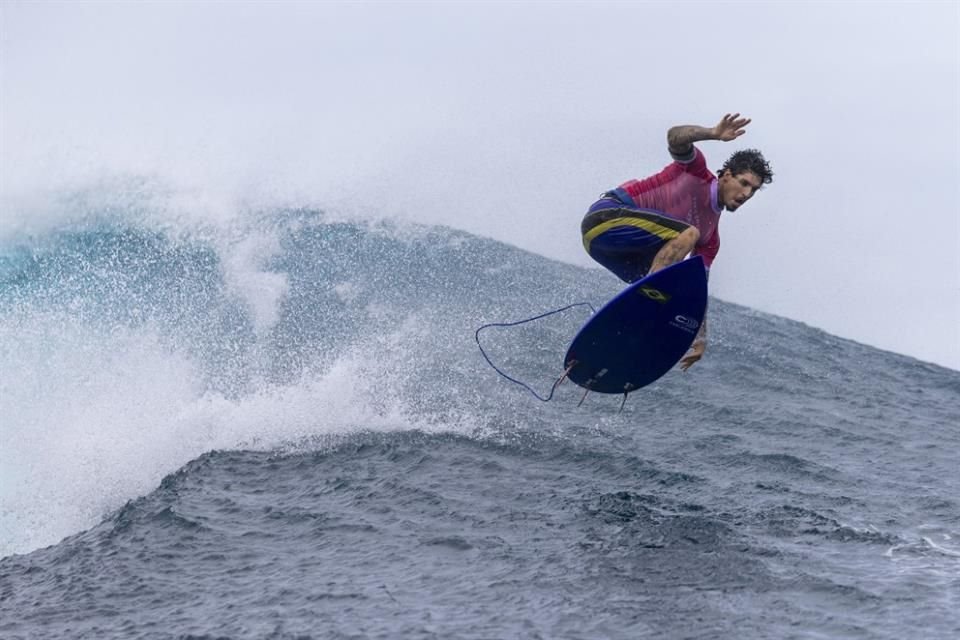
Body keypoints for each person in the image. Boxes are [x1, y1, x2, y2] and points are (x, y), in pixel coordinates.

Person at [581, 113, 773, 371]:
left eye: (753, 190)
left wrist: (699, 338)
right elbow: (674, 137)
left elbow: (698, 288)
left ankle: (623, 342)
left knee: (677, 288)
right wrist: (712, 133)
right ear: (726, 175)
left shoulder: (711, 239)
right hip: (605, 219)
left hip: (607, 251)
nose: (746, 193)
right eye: (744, 183)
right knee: (687, 236)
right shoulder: (696, 172)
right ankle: (643, 307)